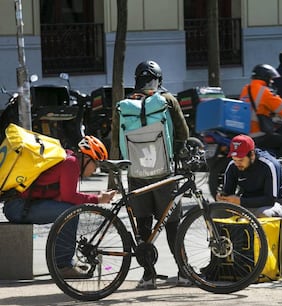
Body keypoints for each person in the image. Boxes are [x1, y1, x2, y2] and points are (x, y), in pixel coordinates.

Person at [3, 135, 116, 278]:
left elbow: (65, 195)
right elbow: (70, 197)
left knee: (69, 209)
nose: (95, 170)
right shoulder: (71, 164)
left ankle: (64, 262)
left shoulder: (68, 159)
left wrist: (95, 197)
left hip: (17, 205)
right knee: (70, 213)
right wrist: (99, 199)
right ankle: (62, 266)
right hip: (18, 208)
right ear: (87, 159)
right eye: (96, 164)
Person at [127, 60, 190, 289]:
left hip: (136, 173)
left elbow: (116, 139)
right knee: (173, 224)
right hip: (164, 172)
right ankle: (183, 273)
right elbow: (183, 132)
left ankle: (148, 276)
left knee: (143, 225)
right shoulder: (168, 100)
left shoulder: (126, 104)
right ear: (159, 80)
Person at [216, 134, 282, 220]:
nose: (237, 163)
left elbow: (270, 200)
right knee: (216, 211)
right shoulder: (233, 166)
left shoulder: (269, 165)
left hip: (277, 203)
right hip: (247, 203)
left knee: (264, 214)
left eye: (241, 160)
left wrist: (240, 201)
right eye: (234, 159)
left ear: (252, 155)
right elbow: (228, 192)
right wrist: (222, 197)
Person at [240, 64, 282, 158]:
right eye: (271, 79)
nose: (272, 81)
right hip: (258, 133)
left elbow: (257, 108)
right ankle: (281, 170)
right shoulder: (264, 91)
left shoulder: (246, 89)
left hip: (246, 132)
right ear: (265, 78)